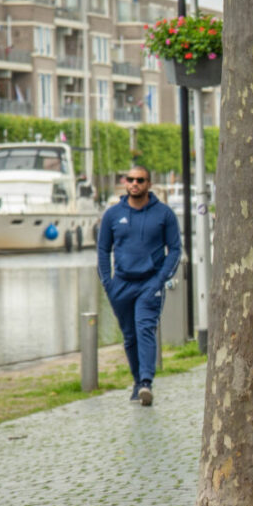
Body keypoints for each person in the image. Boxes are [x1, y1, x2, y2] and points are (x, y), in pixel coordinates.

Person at [97, 165, 182, 406]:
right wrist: (107, 282)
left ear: (149, 184)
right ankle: (137, 382)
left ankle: (146, 382)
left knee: (145, 327)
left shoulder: (164, 214)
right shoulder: (113, 215)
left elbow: (175, 249)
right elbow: (103, 250)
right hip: (121, 285)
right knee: (130, 336)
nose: (135, 183)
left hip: (150, 283)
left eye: (140, 180)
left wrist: (160, 279)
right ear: (125, 183)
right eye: (130, 179)